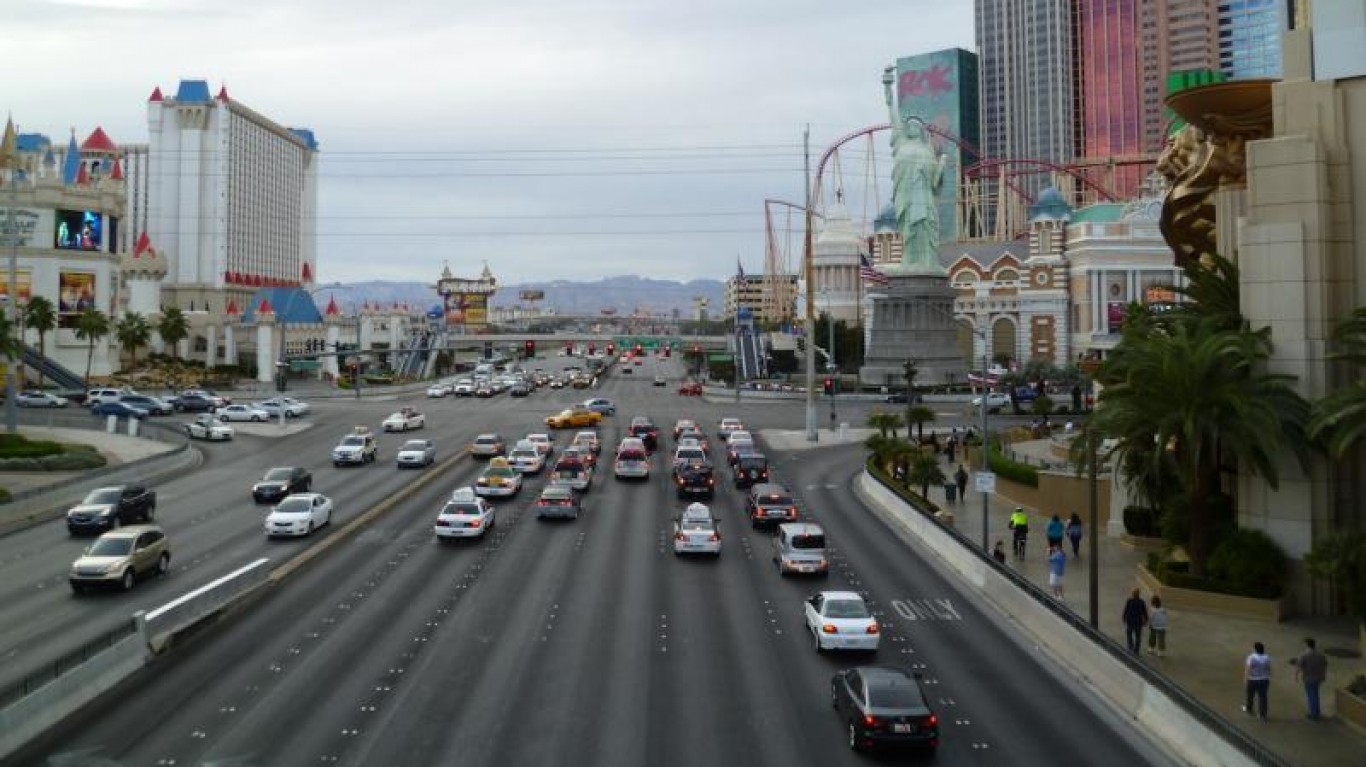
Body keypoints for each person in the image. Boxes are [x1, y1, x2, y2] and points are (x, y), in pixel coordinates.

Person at [882, 65, 948, 272]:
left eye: (915, 125)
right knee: (909, 227)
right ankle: (910, 262)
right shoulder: (901, 143)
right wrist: (888, 87)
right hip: (907, 196)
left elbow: (935, 182)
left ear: (920, 130)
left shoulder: (928, 151)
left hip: (924, 197)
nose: (911, 127)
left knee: (926, 225)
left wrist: (943, 164)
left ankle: (928, 262)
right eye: (908, 125)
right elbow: (892, 115)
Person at [1293, 637, 1328, 720]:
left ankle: (1314, 714)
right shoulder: (1320, 654)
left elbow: (1299, 665)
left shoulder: (1304, 655)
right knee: (1315, 694)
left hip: (1308, 677)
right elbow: (1325, 664)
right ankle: (1316, 712)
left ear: (1307, 645)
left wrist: (1296, 675)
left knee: (1311, 695)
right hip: (1318, 677)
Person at [1243, 641, 1272, 720]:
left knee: (1250, 695)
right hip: (1264, 680)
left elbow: (1248, 669)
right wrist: (1268, 676)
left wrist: (1245, 679)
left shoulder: (1251, 657)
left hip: (1252, 679)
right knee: (1263, 697)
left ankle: (1249, 708)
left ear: (1255, 649)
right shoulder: (1267, 657)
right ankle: (1262, 714)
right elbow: (1269, 668)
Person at [1122, 588, 1148, 655]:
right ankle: (1136, 650)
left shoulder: (1129, 601)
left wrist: (1124, 617)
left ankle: (1131, 647)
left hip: (1130, 621)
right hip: (1138, 622)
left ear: (1133, 594)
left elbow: (1126, 610)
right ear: (1138, 594)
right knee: (1138, 637)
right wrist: (1145, 620)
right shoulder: (1141, 602)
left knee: (1129, 634)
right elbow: (1144, 612)